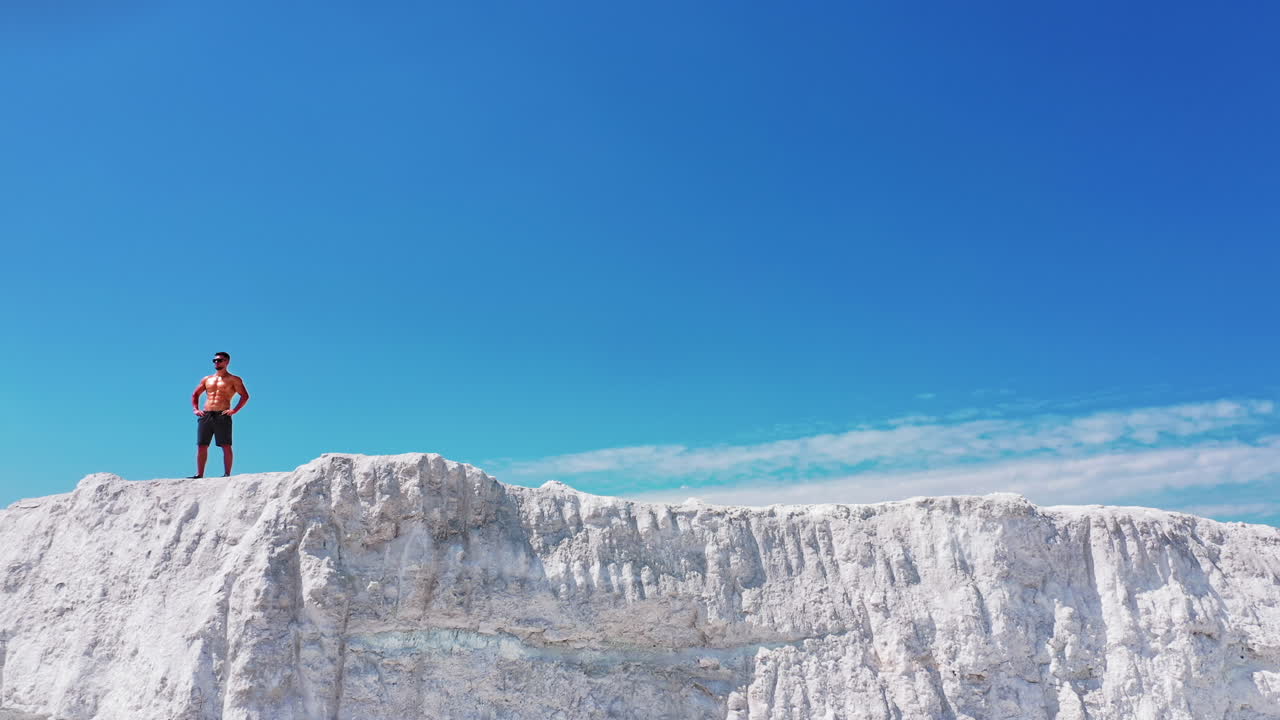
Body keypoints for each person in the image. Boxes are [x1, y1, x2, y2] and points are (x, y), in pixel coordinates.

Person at [189, 351, 250, 478]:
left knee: (226, 445)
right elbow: (195, 394)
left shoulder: (234, 379)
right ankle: (199, 474)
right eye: (215, 360)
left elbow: (245, 396)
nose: (217, 362)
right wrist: (196, 409)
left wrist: (234, 410)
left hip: (222, 414)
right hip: (206, 414)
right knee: (202, 445)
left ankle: (227, 474)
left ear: (227, 362)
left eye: (220, 360)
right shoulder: (207, 379)